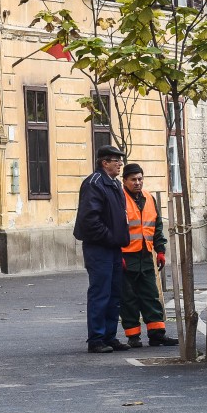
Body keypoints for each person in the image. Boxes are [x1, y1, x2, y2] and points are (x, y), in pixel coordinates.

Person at [73, 145, 131, 354]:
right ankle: (96, 338)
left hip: (113, 247)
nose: (120, 164)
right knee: (101, 293)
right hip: (100, 247)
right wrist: (110, 237)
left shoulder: (113, 184)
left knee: (114, 293)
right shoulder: (95, 183)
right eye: (116, 160)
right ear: (104, 162)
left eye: (120, 160)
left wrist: (117, 240)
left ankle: (109, 335)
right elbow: (90, 220)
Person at [119, 163, 178, 348]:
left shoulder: (149, 199)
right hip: (126, 256)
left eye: (140, 179)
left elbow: (157, 227)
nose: (137, 183)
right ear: (125, 181)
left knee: (151, 295)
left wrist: (160, 251)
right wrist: (117, 253)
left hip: (145, 255)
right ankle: (133, 336)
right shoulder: (119, 199)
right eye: (133, 179)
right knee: (128, 298)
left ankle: (157, 334)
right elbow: (116, 229)